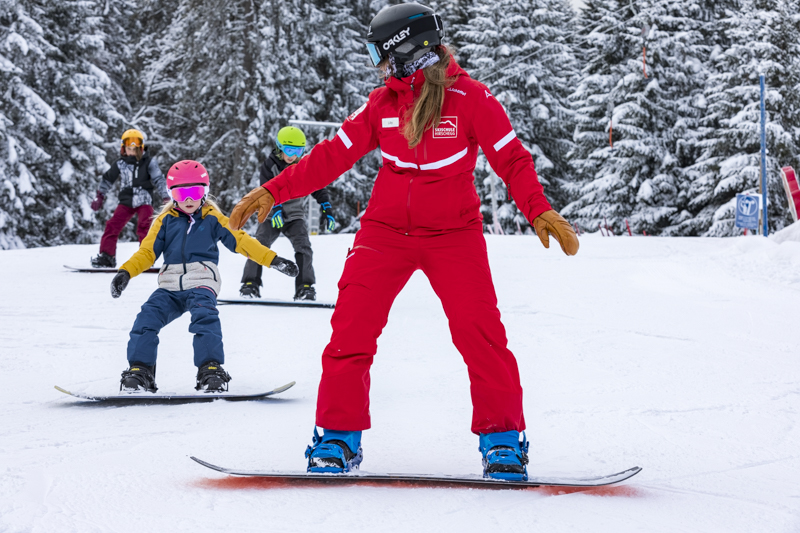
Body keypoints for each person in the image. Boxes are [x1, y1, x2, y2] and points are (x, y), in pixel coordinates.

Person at [228, 3, 579, 480]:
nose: (377, 63)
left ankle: (502, 441)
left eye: (380, 52)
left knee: (480, 333)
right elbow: (332, 155)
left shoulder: (472, 99)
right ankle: (337, 438)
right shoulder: (383, 103)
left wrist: (538, 209)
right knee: (351, 328)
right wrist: (274, 190)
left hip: (454, 234)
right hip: (385, 232)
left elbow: (512, 158)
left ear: (408, 47)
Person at [109, 160, 299, 393]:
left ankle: (210, 369)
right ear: (171, 195)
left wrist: (273, 259)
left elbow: (242, 241)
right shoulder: (164, 221)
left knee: (205, 317)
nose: (189, 199)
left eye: (196, 192)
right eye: (181, 193)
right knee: (146, 318)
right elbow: (147, 253)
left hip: (202, 281)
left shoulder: (213, 218)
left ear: (205, 192)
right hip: (169, 286)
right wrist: (126, 272)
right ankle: (140, 371)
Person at [239, 126, 336, 301]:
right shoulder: (270, 166)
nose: (292, 156)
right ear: (279, 148)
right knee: (258, 245)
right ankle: (250, 284)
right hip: (271, 216)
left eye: (298, 151)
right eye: (289, 150)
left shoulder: (303, 167)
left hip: (294, 216)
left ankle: (304, 287)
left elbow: (318, 187)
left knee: (303, 247)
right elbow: (267, 190)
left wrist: (326, 208)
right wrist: (275, 209)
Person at [90, 129, 170, 268]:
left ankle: (146, 257)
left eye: (135, 149)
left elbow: (159, 179)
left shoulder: (148, 162)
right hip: (126, 201)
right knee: (112, 225)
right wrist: (100, 195)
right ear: (123, 149)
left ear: (141, 149)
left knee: (145, 227)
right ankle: (107, 256)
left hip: (144, 200)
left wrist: (166, 196)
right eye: (129, 149)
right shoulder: (120, 164)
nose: (132, 152)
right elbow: (108, 179)